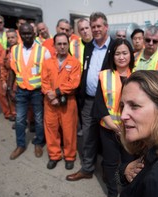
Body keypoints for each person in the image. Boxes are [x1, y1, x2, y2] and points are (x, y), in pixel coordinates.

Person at [66, 12, 115, 181]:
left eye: (98, 26)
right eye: (92, 27)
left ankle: (109, 175)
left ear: (106, 27)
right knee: (88, 136)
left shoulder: (115, 47)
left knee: (108, 139)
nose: (95, 30)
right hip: (88, 101)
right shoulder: (88, 47)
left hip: (108, 103)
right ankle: (87, 168)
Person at [92, 39, 135, 197]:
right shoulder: (104, 75)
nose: (121, 57)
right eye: (117, 53)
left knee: (128, 163)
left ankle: (125, 189)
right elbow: (99, 103)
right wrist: (112, 124)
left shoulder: (138, 76)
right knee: (110, 163)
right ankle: (112, 192)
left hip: (131, 131)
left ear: (131, 54)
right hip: (109, 129)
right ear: (112, 55)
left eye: (125, 53)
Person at [9, 23, 51, 160]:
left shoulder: (43, 51)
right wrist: (10, 89)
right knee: (20, 119)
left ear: (34, 33)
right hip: (21, 90)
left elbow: (49, 73)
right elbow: (12, 71)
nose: (26, 36)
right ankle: (20, 145)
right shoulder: (14, 50)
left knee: (39, 119)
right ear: (20, 34)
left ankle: (38, 143)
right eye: (24, 34)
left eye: (29, 33)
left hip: (38, 91)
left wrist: (47, 91)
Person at [42, 33, 81, 170]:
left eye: (65, 43)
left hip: (68, 102)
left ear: (68, 44)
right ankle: (54, 156)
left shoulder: (74, 63)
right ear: (54, 46)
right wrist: (50, 95)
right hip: (50, 103)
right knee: (51, 130)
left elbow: (74, 83)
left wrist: (56, 93)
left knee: (69, 131)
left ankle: (69, 156)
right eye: (59, 44)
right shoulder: (47, 63)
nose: (62, 46)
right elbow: (44, 82)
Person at [0, 29, 19, 122]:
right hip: (10, 80)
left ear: (17, 37)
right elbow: (3, 67)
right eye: (9, 38)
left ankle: (28, 120)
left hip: (20, 80)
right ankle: (15, 116)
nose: (11, 39)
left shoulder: (22, 50)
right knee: (11, 98)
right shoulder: (6, 52)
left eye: (13, 37)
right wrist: (3, 81)